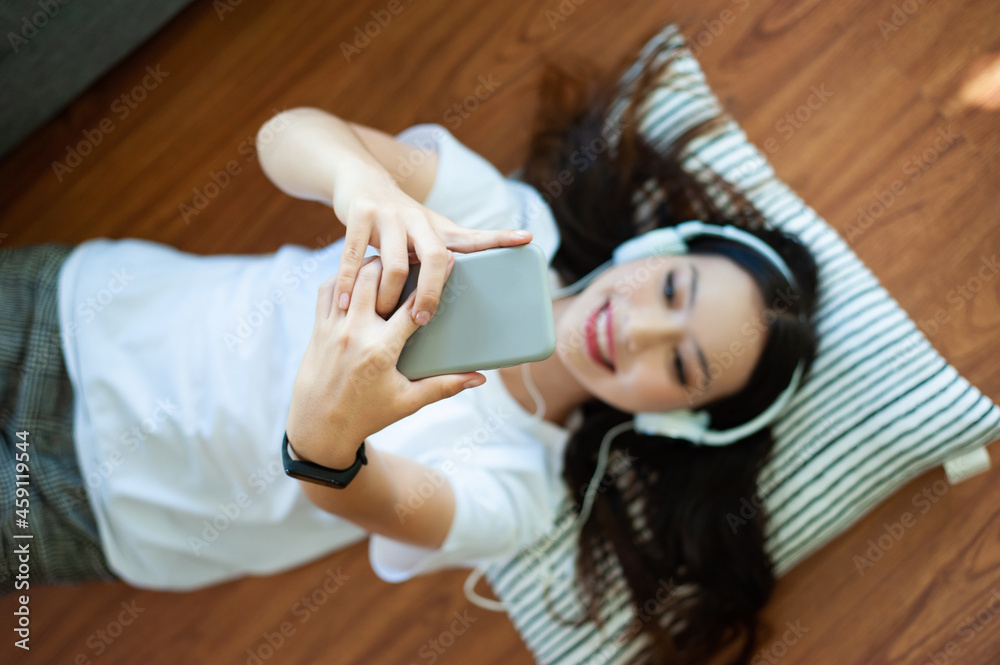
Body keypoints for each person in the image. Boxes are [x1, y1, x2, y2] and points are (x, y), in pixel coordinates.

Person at [1, 33, 818, 665]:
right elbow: (288, 135)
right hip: (78, 313)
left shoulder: (519, 494)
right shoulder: (503, 220)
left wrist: (330, 439)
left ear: (680, 424)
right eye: (670, 292)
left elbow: (352, 493)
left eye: (681, 366)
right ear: (659, 248)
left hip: (101, 512)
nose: (636, 329)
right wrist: (361, 184)